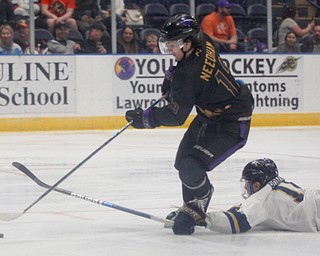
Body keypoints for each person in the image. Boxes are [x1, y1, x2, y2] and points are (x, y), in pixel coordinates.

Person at [125, 14, 254, 233]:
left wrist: (147, 118)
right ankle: (190, 205)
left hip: (232, 120)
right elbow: (190, 76)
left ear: (187, 43)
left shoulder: (189, 75)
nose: (169, 51)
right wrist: (173, 77)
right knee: (182, 161)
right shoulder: (202, 40)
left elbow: (176, 116)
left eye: (172, 45)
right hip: (210, 115)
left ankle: (199, 203)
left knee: (190, 166)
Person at [172, 158, 320, 234]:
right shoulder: (278, 185)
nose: (247, 188)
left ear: (257, 184)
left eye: (248, 184)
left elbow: (237, 221)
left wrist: (202, 219)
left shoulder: (262, 200)